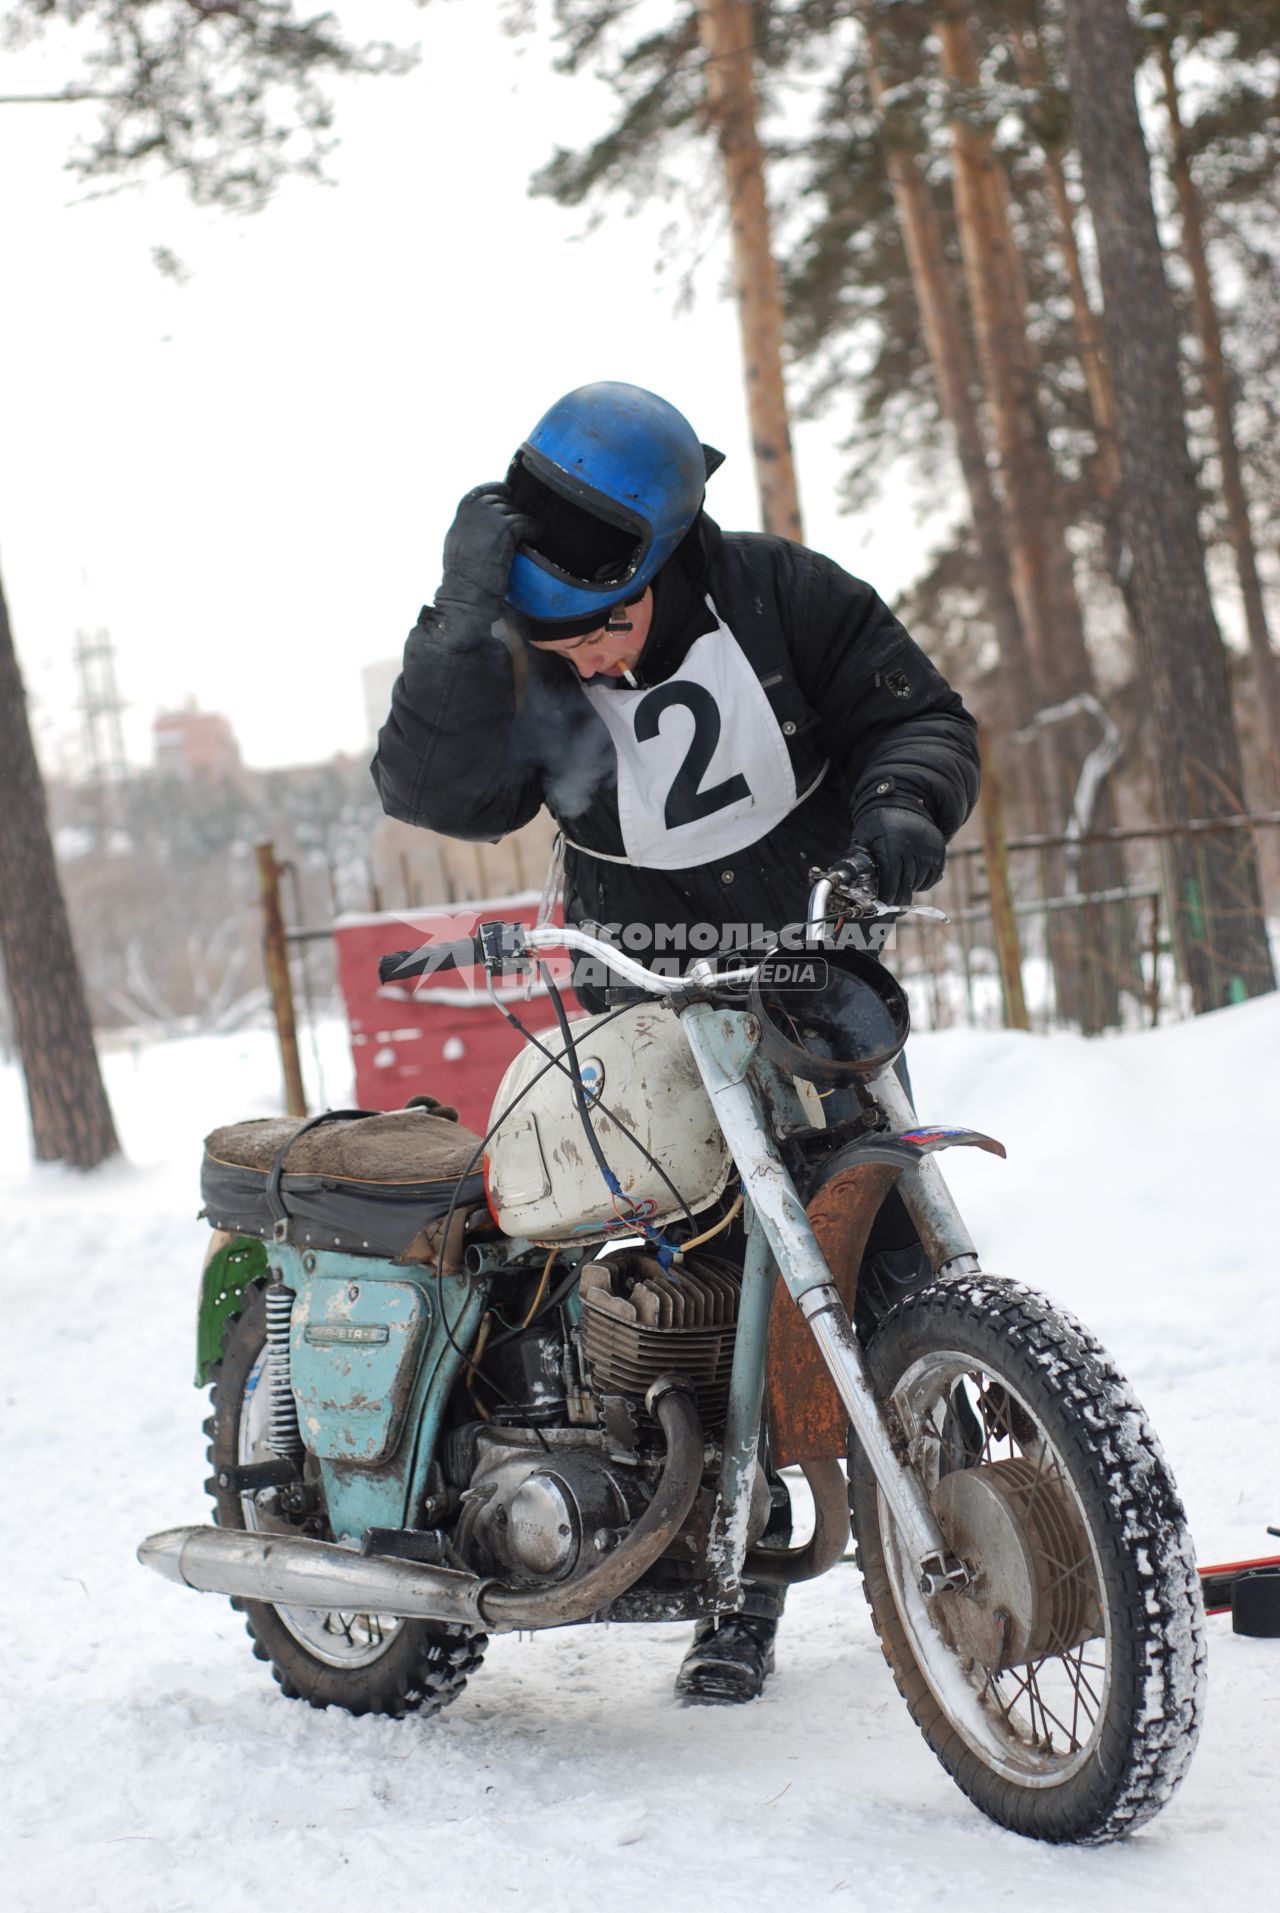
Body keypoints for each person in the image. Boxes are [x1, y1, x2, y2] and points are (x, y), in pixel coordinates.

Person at [372, 381, 980, 1703]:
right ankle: (740, 1573)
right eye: (555, 632)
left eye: (604, 624)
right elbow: (428, 789)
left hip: (812, 971)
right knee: (698, 1290)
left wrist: (903, 808)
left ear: (664, 558)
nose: (583, 656)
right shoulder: (525, 656)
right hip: (644, 994)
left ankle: (986, 1503)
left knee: (890, 1244)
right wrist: (465, 621)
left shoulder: (786, 596)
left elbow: (918, 719)